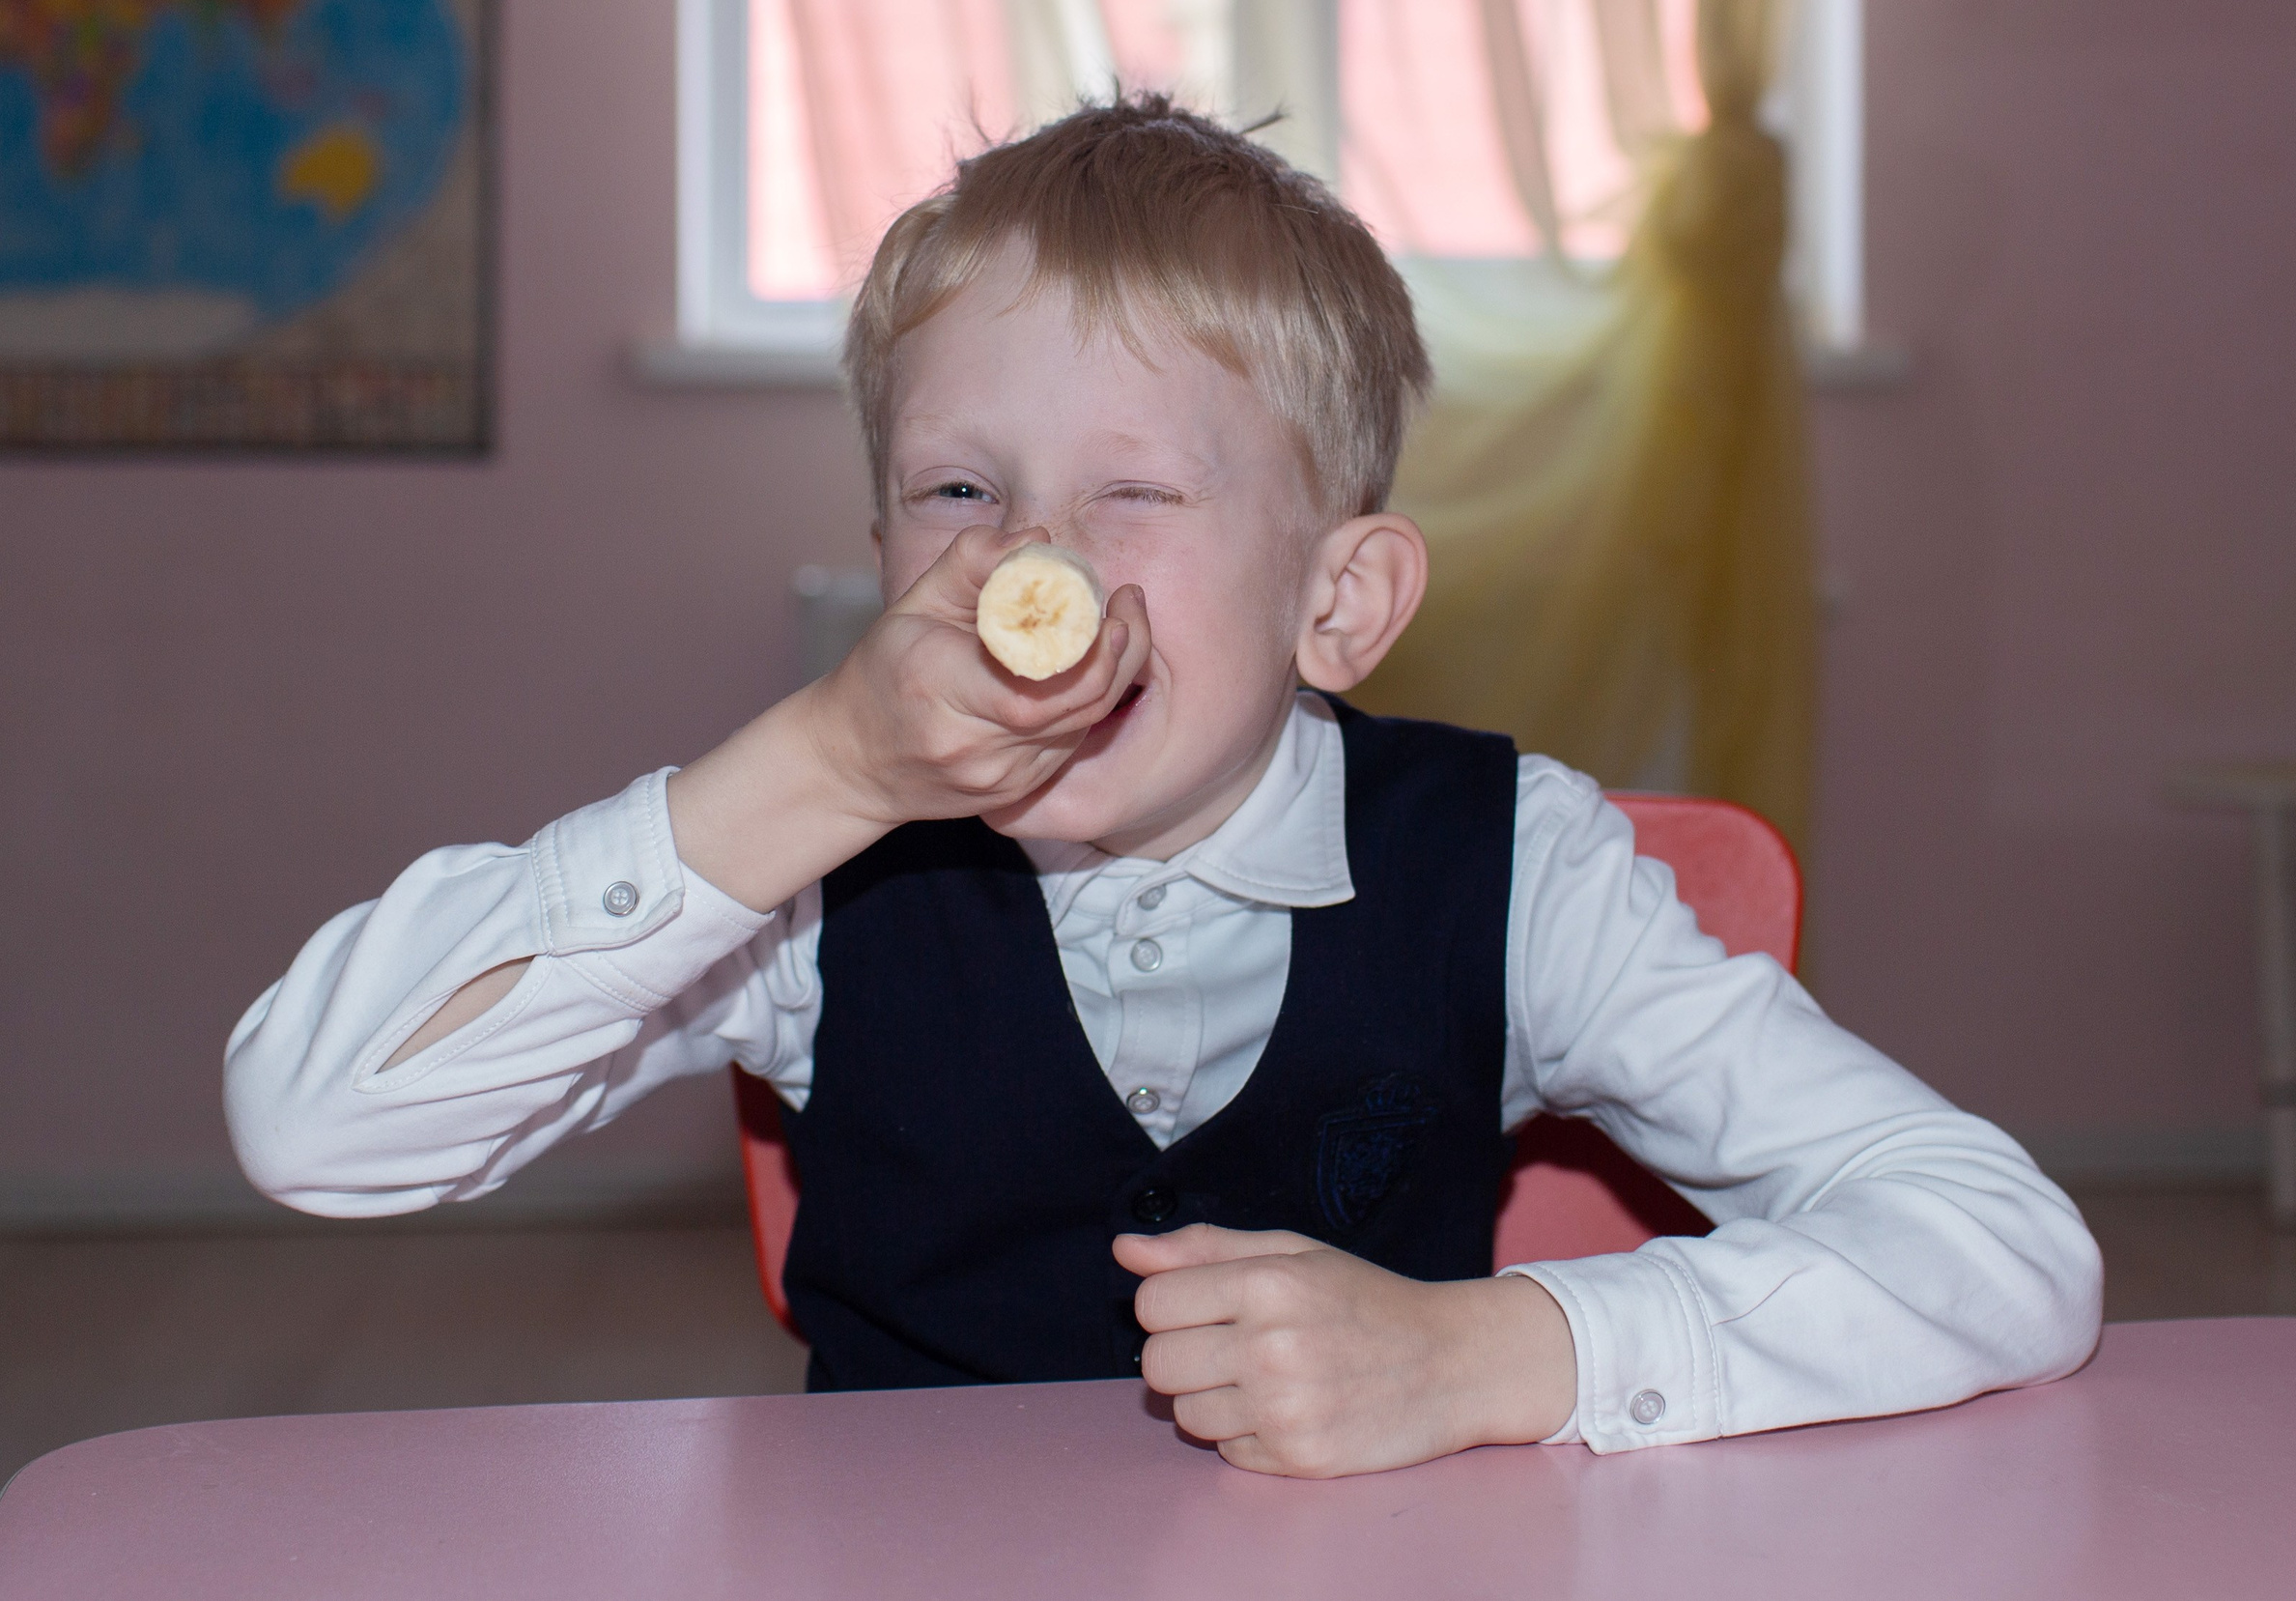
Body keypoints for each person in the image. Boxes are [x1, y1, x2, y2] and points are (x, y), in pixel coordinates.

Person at [225, 95, 2100, 1479]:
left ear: (1337, 599)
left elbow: (1996, 1252)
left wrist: (1494, 1351)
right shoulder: (813, 883)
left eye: (1132, 493)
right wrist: (805, 768)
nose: (1025, 559)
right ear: (883, 542)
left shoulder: (1514, 869)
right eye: (960, 493)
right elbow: (317, 1131)